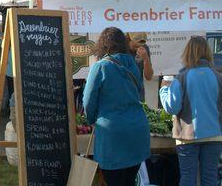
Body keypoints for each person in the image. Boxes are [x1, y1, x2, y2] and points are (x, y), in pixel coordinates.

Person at [83, 27, 150, 186]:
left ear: (103, 44)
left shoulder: (100, 66)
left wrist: (91, 119)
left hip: (113, 137)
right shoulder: (132, 64)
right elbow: (138, 89)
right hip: (137, 132)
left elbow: (88, 101)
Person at [159, 36, 222, 186]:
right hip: (215, 135)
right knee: (210, 179)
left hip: (187, 136)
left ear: (187, 53)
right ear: (208, 53)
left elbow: (172, 107)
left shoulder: (181, 78)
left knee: (188, 178)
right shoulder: (218, 77)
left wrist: (164, 89)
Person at [127, 32, 154, 99]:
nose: (139, 47)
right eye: (136, 45)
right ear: (129, 39)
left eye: (142, 44)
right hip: (124, 93)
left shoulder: (144, 48)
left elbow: (148, 77)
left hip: (138, 93)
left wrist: (146, 59)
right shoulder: (121, 50)